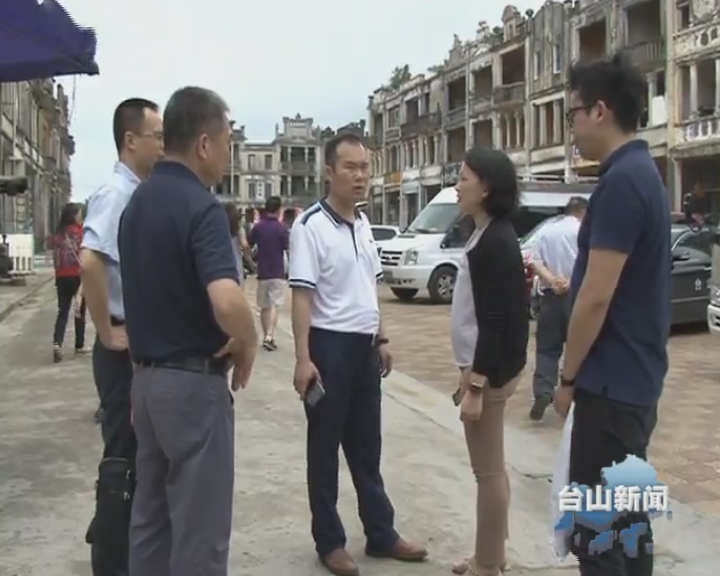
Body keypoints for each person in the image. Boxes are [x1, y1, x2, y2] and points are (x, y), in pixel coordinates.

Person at [119, 86, 258, 576]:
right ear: (203, 144)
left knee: (151, 523)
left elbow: (137, 296)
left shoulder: (137, 204)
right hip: (193, 387)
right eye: (226, 144)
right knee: (200, 535)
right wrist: (249, 339)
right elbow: (226, 298)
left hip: (146, 383)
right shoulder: (202, 208)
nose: (227, 155)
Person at [289, 133, 427, 576]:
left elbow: (370, 288)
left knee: (368, 447)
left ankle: (381, 533)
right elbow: (301, 298)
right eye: (349, 167)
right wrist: (303, 358)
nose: (359, 176)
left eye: (364, 167)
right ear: (329, 172)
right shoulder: (310, 226)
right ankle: (329, 542)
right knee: (325, 449)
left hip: (365, 348)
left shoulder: (364, 225)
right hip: (328, 348)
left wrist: (382, 338)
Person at [554, 52, 670, 576]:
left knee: (598, 536)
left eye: (572, 114)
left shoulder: (623, 182)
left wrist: (567, 376)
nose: (572, 128)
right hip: (634, 382)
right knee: (627, 527)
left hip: (609, 386)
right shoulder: (643, 174)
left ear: (599, 111)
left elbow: (595, 296)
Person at [80, 97, 163, 576]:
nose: (163, 144)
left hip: (138, 343)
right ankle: (112, 560)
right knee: (123, 459)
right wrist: (105, 328)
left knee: (137, 454)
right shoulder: (117, 193)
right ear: (130, 140)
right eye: (157, 136)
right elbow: (91, 260)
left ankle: (129, 548)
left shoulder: (138, 192)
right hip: (120, 348)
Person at [449, 147, 529, 576]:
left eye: (464, 178)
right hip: (481, 367)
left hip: (490, 372)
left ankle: (488, 562)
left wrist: (476, 383)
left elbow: (495, 320)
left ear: (486, 188)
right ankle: (492, 554)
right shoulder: (484, 233)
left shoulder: (496, 239)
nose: (457, 185)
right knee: (492, 470)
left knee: (489, 472)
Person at [529, 196, 587, 421]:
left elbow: (535, 262)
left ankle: (543, 390)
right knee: (580, 348)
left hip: (550, 298)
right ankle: (576, 395)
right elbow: (588, 263)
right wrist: (570, 282)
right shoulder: (584, 231)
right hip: (577, 297)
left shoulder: (546, 231)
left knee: (547, 349)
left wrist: (553, 281)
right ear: (583, 212)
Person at [248, 195, 289, 350]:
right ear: (278, 210)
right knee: (274, 304)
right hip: (277, 270)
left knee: (264, 306)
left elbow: (249, 245)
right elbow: (288, 249)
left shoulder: (258, 228)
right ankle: (269, 336)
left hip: (263, 271)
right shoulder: (281, 228)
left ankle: (266, 334)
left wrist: (252, 262)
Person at [50, 202, 88, 363]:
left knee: (63, 311)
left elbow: (55, 257)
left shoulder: (58, 234)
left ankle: (57, 343)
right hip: (77, 276)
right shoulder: (80, 232)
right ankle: (79, 345)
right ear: (73, 216)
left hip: (61, 277)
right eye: (79, 214)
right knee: (79, 310)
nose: (81, 217)